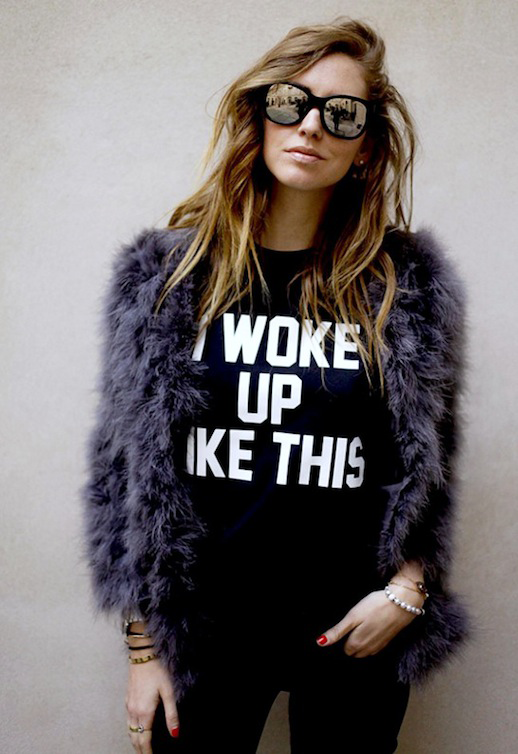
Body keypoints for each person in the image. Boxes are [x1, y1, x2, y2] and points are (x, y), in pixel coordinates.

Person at [82, 17, 472, 754]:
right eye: (291, 102)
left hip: (352, 628)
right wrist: (143, 649)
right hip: (204, 629)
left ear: (366, 147)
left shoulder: (406, 289)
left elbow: (428, 467)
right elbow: (122, 476)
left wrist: (409, 590)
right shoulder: (167, 279)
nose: (312, 126)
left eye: (343, 113)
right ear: (260, 115)